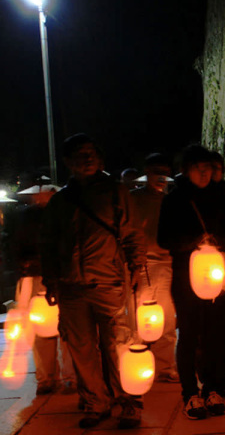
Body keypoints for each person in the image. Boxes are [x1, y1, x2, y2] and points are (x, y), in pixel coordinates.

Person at [41, 133, 146, 429]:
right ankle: (95, 401)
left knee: (118, 345)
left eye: (91, 153)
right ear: (67, 162)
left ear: (100, 159)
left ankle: (129, 402)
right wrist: (50, 281)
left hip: (108, 281)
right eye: (79, 153)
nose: (86, 158)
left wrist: (137, 265)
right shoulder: (60, 201)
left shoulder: (115, 192)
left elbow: (132, 232)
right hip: (70, 285)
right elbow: (47, 243)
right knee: (81, 347)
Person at [157, 145, 225, 420]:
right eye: (198, 168)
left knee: (215, 332)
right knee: (189, 333)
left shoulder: (221, 197)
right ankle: (190, 393)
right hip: (184, 274)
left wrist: (218, 242)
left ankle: (212, 387)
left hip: (215, 273)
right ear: (185, 170)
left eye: (208, 168)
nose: (204, 173)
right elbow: (163, 239)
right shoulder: (175, 199)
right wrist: (194, 242)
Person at [7, 185, 76, 396]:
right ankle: (47, 377)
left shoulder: (66, 213)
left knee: (67, 329)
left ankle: (69, 377)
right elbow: (13, 244)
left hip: (62, 275)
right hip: (35, 275)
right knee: (40, 329)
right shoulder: (25, 217)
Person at [129, 153, 179, 383]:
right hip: (142, 264)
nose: (161, 176)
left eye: (165, 172)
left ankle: (165, 366)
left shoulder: (173, 199)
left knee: (167, 318)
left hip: (168, 263)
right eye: (156, 171)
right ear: (146, 173)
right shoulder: (133, 200)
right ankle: (136, 362)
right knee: (141, 318)